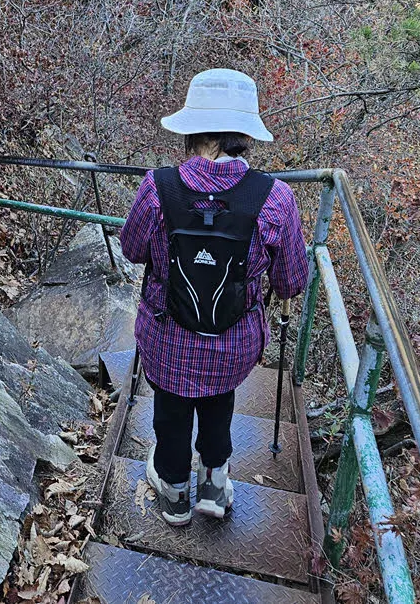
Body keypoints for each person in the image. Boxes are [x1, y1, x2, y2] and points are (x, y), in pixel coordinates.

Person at [119, 68, 309, 527]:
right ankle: (214, 482)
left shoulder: (157, 187)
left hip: (167, 336)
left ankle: (173, 492)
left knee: (170, 407)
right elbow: (291, 281)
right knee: (220, 402)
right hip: (233, 342)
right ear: (245, 134)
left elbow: (131, 248)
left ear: (191, 129)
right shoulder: (276, 198)